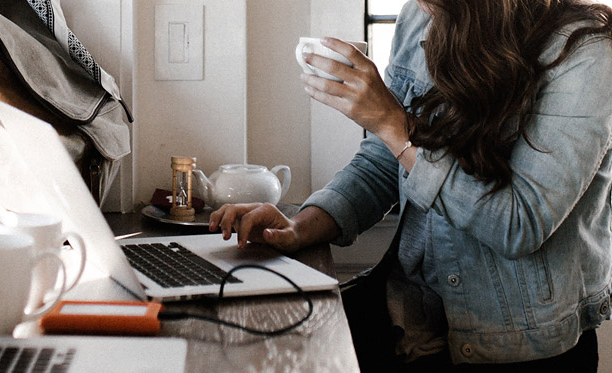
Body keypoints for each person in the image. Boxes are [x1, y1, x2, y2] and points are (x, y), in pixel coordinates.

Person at [209, 0, 612, 371]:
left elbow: (518, 225)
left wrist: (391, 122)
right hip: (410, 315)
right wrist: (300, 226)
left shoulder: (586, 56)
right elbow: (384, 162)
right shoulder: (421, 16)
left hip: (518, 342)